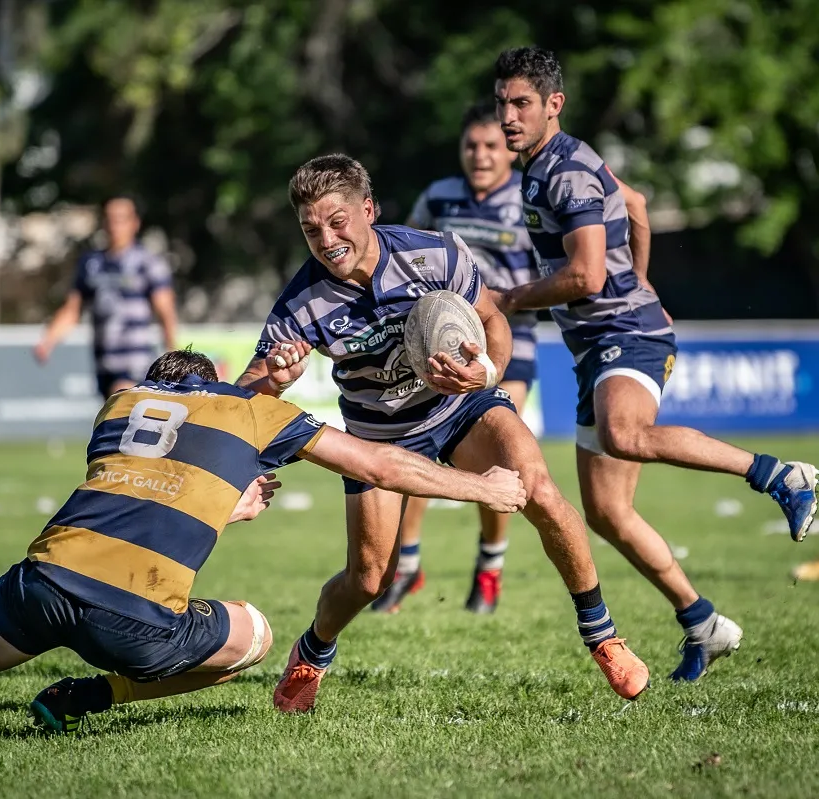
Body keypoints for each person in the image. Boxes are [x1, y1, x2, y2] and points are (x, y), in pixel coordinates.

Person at [0, 349, 527, 744]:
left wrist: (229, 495)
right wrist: (487, 487)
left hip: (39, 585)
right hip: (133, 623)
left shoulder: (117, 408)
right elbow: (377, 460)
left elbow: (153, 487)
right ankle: (93, 696)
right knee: (254, 634)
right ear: (220, 390)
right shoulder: (254, 416)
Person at [238, 154, 652, 712]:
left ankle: (603, 636)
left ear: (369, 210)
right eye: (311, 230)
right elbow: (248, 391)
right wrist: (277, 378)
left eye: (338, 222)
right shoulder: (301, 301)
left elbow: (494, 321)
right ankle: (312, 651)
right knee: (368, 579)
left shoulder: (434, 252)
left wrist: (487, 371)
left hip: (461, 407)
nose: (326, 239)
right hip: (378, 437)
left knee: (541, 491)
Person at [492, 46, 817, 681]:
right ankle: (702, 622)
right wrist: (641, 279)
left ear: (553, 105)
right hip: (597, 344)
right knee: (608, 513)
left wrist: (507, 300)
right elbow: (637, 204)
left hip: (625, 336)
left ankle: (783, 476)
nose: (508, 116)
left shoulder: (564, 171)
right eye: (502, 103)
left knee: (626, 434)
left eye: (521, 103)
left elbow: (584, 275)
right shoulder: (551, 165)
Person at [376, 100, 543, 615]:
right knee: (417, 451)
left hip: (507, 347)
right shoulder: (439, 197)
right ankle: (406, 566)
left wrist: (504, 300)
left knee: (501, 459)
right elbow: (400, 256)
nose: (481, 154)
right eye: (471, 145)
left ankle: (490, 566)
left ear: (509, 151)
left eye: (492, 145)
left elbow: (556, 270)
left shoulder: (528, 200)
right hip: (437, 352)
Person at [35, 194, 178, 398]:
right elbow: (72, 309)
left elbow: (165, 310)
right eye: (110, 219)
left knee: (121, 406)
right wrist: (49, 341)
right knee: (115, 421)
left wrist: (172, 352)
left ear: (134, 223)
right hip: (104, 362)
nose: (114, 226)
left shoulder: (147, 262)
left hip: (134, 361)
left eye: (121, 219)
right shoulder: (91, 264)